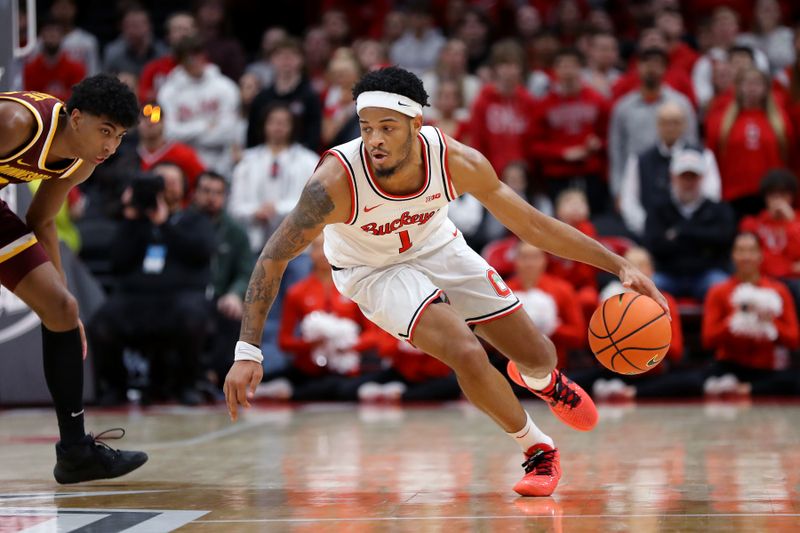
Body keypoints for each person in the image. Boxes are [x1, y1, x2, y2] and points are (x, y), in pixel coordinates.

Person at [223, 66, 667, 497]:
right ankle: (537, 449)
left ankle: (541, 380)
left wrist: (619, 265)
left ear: (416, 124)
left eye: (388, 127)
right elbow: (271, 258)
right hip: (371, 271)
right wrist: (248, 350)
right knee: (465, 350)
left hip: (436, 245)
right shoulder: (334, 183)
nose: (374, 140)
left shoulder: (456, 161)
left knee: (539, 354)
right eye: (366, 127)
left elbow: (531, 225)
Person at [0, 75, 147, 483]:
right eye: (104, 132)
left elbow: (42, 219)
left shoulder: (80, 163)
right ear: (76, 118)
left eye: (118, 137)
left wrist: (60, 301)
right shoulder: (15, 122)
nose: (110, 147)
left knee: (63, 309)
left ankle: (75, 453)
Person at [644, 150, 736, 300]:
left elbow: (724, 240)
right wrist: (703, 240)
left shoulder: (719, 209)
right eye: (683, 176)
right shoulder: (659, 209)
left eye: (693, 177)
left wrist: (680, 233)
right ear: (673, 177)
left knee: (722, 287)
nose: (688, 182)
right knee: (648, 288)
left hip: (707, 273)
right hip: (669, 274)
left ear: (702, 178)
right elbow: (654, 245)